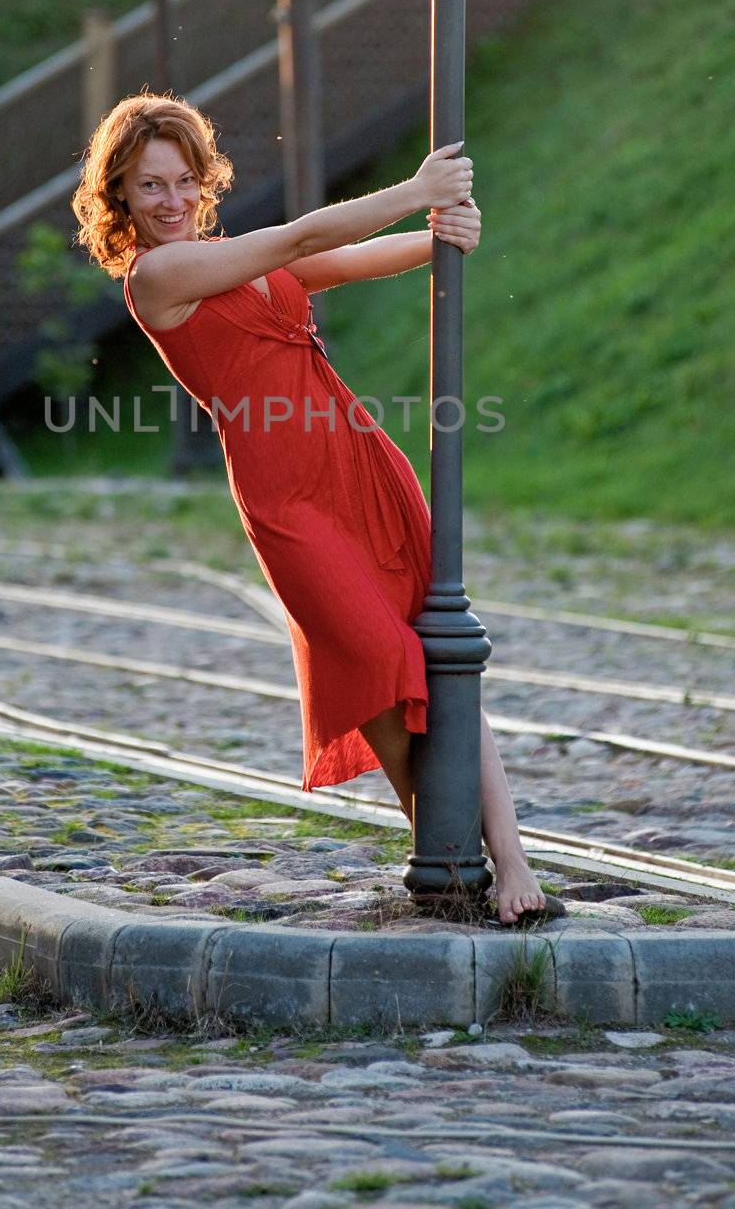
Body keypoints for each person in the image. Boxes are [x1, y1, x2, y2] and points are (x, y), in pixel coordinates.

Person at [72, 93, 550, 925]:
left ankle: (506, 862)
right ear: (118, 194)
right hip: (287, 499)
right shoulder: (158, 277)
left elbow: (344, 261)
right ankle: (444, 852)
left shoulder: (226, 257)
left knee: (442, 658)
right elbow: (299, 239)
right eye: (150, 187)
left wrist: (442, 237)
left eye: (185, 181)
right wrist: (415, 190)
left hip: (359, 465)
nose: (173, 201)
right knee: (377, 659)